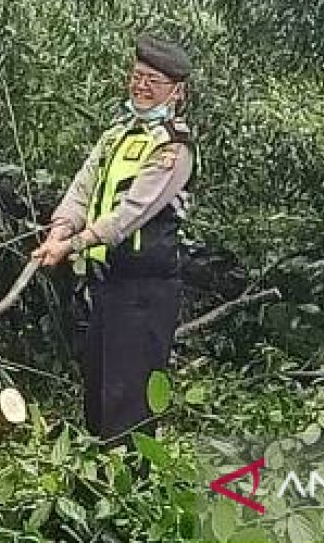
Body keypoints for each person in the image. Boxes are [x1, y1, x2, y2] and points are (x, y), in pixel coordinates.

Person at [31, 35, 197, 440]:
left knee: (130, 399)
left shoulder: (174, 148)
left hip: (147, 288)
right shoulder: (117, 135)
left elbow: (129, 215)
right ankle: (96, 486)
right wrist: (60, 229)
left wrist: (72, 245)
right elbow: (82, 188)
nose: (141, 87)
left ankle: (130, 490)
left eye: (153, 82)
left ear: (177, 92)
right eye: (137, 77)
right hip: (108, 281)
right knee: (98, 388)